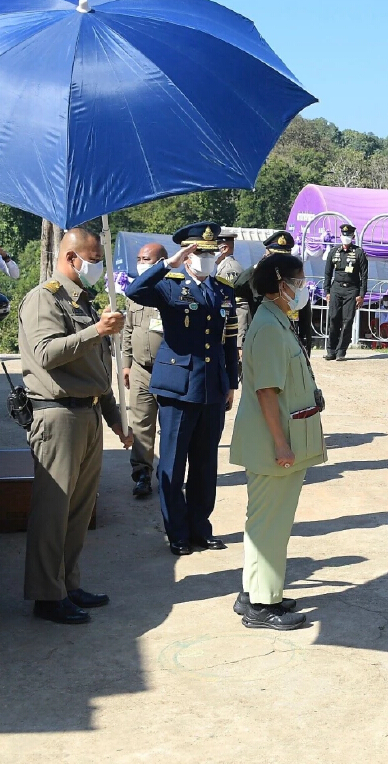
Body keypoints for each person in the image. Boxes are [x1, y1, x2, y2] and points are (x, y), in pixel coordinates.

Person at [18, 227, 133, 625]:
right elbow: (47, 353)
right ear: (71, 259)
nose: (98, 268)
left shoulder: (85, 302)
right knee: (53, 511)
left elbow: (99, 370)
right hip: (57, 413)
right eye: (95, 260)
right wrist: (96, 331)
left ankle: (67, 582)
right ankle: (47, 595)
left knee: (79, 511)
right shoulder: (43, 299)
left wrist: (117, 419)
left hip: (88, 412)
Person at [125, 223, 240, 556]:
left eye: (210, 252)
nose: (206, 258)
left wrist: (231, 382)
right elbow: (134, 291)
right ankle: (176, 531)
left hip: (212, 388)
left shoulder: (223, 290)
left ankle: (200, 529)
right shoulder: (169, 286)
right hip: (177, 386)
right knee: (173, 463)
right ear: (187, 254)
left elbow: (228, 340)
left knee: (205, 465)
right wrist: (168, 264)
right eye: (199, 252)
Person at [229, 252, 327, 630]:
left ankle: (255, 592)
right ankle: (262, 605)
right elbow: (267, 392)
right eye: (298, 282)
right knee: (271, 525)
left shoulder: (276, 319)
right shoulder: (270, 326)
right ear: (279, 284)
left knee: (264, 523)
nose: (303, 288)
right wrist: (281, 444)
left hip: (278, 439)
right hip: (275, 444)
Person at [121, 242, 169, 499]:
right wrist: (126, 364)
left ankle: (169, 474)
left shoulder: (172, 290)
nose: (141, 263)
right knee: (140, 425)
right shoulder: (134, 293)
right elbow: (128, 330)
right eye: (139, 258)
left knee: (170, 426)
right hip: (140, 370)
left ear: (162, 261)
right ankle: (141, 474)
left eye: (147, 259)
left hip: (168, 371)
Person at [234, 231, 313, 356]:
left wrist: (305, 351)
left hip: (290, 343)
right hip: (263, 340)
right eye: (275, 258)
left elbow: (305, 322)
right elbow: (236, 288)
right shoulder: (257, 280)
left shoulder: (295, 283)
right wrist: (257, 267)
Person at [323, 224, 368, 361]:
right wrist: (327, 291)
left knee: (347, 320)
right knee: (333, 318)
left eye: (348, 235)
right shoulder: (334, 251)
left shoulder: (359, 253)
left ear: (353, 237)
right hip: (336, 288)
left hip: (351, 290)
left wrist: (361, 295)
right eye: (344, 235)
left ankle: (341, 351)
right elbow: (327, 273)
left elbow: (364, 276)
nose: (346, 237)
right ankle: (331, 350)